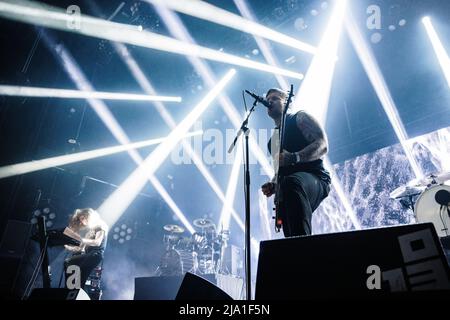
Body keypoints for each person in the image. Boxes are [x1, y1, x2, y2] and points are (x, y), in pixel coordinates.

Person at [261, 88, 331, 237]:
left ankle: (304, 249)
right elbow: (279, 169)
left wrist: (295, 157)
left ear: (287, 102)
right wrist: (273, 183)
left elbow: (322, 144)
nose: (269, 101)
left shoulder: (300, 118)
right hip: (289, 187)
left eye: (274, 98)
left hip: (316, 178)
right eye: (268, 99)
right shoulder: (272, 141)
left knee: (292, 183)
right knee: (289, 226)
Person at [63, 208, 108, 290]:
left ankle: (70, 289)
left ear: (89, 215)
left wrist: (81, 239)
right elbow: (81, 249)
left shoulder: (100, 225)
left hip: (95, 255)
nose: (83, 221)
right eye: (81, 220)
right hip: (89, 255)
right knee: (81, 283)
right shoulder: (90, 232)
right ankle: (75, 292)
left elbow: (97, 242)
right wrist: (70, 248)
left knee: (69, 262)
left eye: (83, 218)